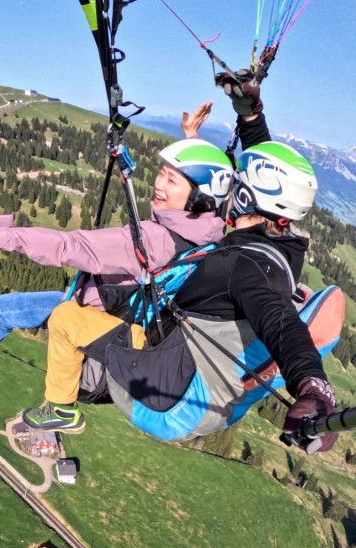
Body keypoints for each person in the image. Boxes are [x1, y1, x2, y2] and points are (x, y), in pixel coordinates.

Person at [21, 137, 339, 454]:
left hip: (168, 398)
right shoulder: (282, 250)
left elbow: (280, 322)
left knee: (65, 318)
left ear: (244, 195)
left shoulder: (245, 267)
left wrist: (313, 386)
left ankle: (58, 410)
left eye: (235, 184)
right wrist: (251, 115)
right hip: (211, 395)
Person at [0, 102, 236, 388]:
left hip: (96, 311)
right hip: (122, 315)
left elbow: (69, 246)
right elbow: (214, 188)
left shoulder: (154, 240)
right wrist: (191, 138)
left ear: (196, 197)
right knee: (12, 311)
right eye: (162, 174)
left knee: (3, 309)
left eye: (172, 180)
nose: (158, 183)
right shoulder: (208, 230)